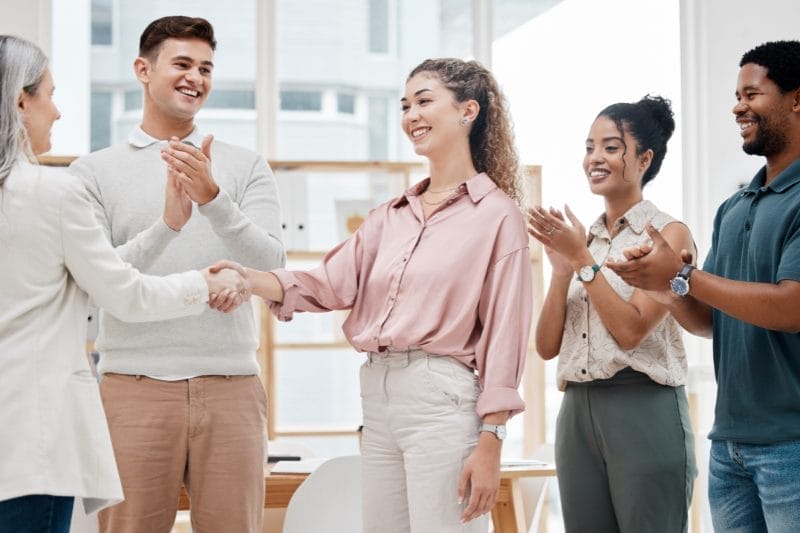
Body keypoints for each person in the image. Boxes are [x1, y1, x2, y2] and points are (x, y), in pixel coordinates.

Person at [216, 57, 531, 532]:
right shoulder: (391, 215)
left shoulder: (497, 216)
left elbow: (505, 335)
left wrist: (492, 439)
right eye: (405, 105)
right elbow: (327, 283)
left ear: (469, 111)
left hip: (442, 399)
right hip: (378, 398)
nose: (411, 115)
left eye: (425, 101)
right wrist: (248, 276)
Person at [0, 35, 248, 533]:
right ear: (20, 100)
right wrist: (204, 281)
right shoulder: (54, 191)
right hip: (31, 438)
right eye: (48, 95)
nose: (57, 112)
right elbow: (124, 294)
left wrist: (165, 228)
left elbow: (94, 279)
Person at [68, 16, 285, 533]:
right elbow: (102, 282)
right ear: (143, 69)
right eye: (182, 64)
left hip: (232, 384)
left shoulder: (245, 165)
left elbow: (271, 262)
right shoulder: (92, 172)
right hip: (133, 386)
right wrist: (169, 225)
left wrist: (213, 200)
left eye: (206, 68)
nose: (196, 78)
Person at [607, 40, 800, 532]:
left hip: (792, 445)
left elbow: (791, 307)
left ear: (796, 99)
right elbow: (711, 322)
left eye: (752, 94)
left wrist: (688, 276)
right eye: (737, 94)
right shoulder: (734, 208)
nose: (738, 106)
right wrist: (667, 284)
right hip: (731, 447)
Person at [528, 96, 697, 532]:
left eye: (610, 147)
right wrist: (562, 271)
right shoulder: (586, 239)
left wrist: (581, 258)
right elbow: (546, 348)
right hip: (577, 414)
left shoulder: (667, 233)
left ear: (644, 158)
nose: (594, 158)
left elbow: (631, 331)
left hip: (643, 407)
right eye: (589, 147)